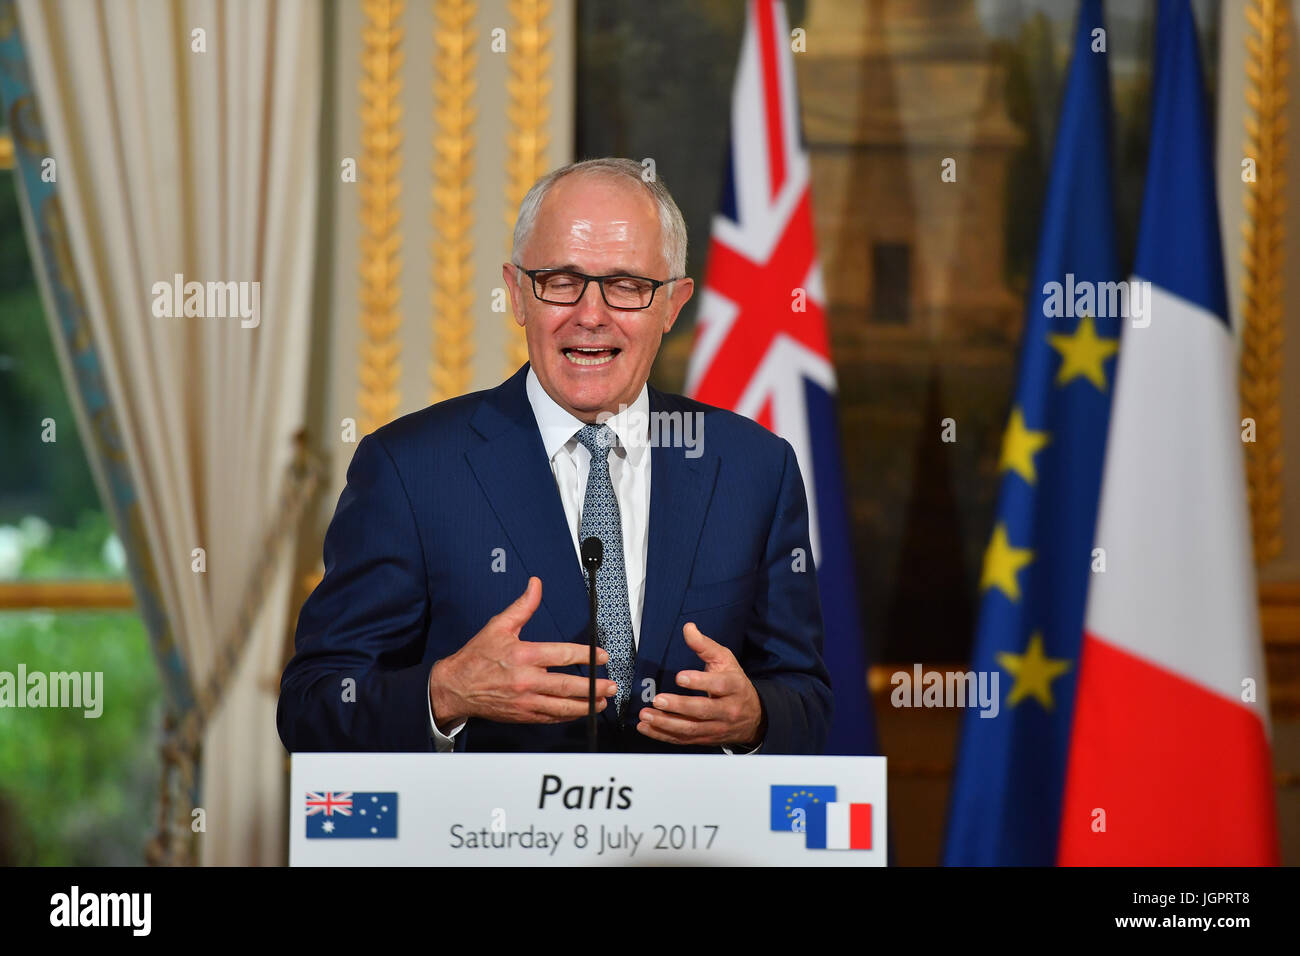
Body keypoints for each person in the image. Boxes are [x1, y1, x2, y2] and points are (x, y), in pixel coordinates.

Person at [277, 157, 832, 754]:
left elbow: (806, 696)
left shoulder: (753, 468)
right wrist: (445, 694)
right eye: (561, 282)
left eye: (626, 286)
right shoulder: (411, 470)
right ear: (518, 294)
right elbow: (313, 704)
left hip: (684, 845)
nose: (590, 316)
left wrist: (755, 719)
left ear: (673, 305)